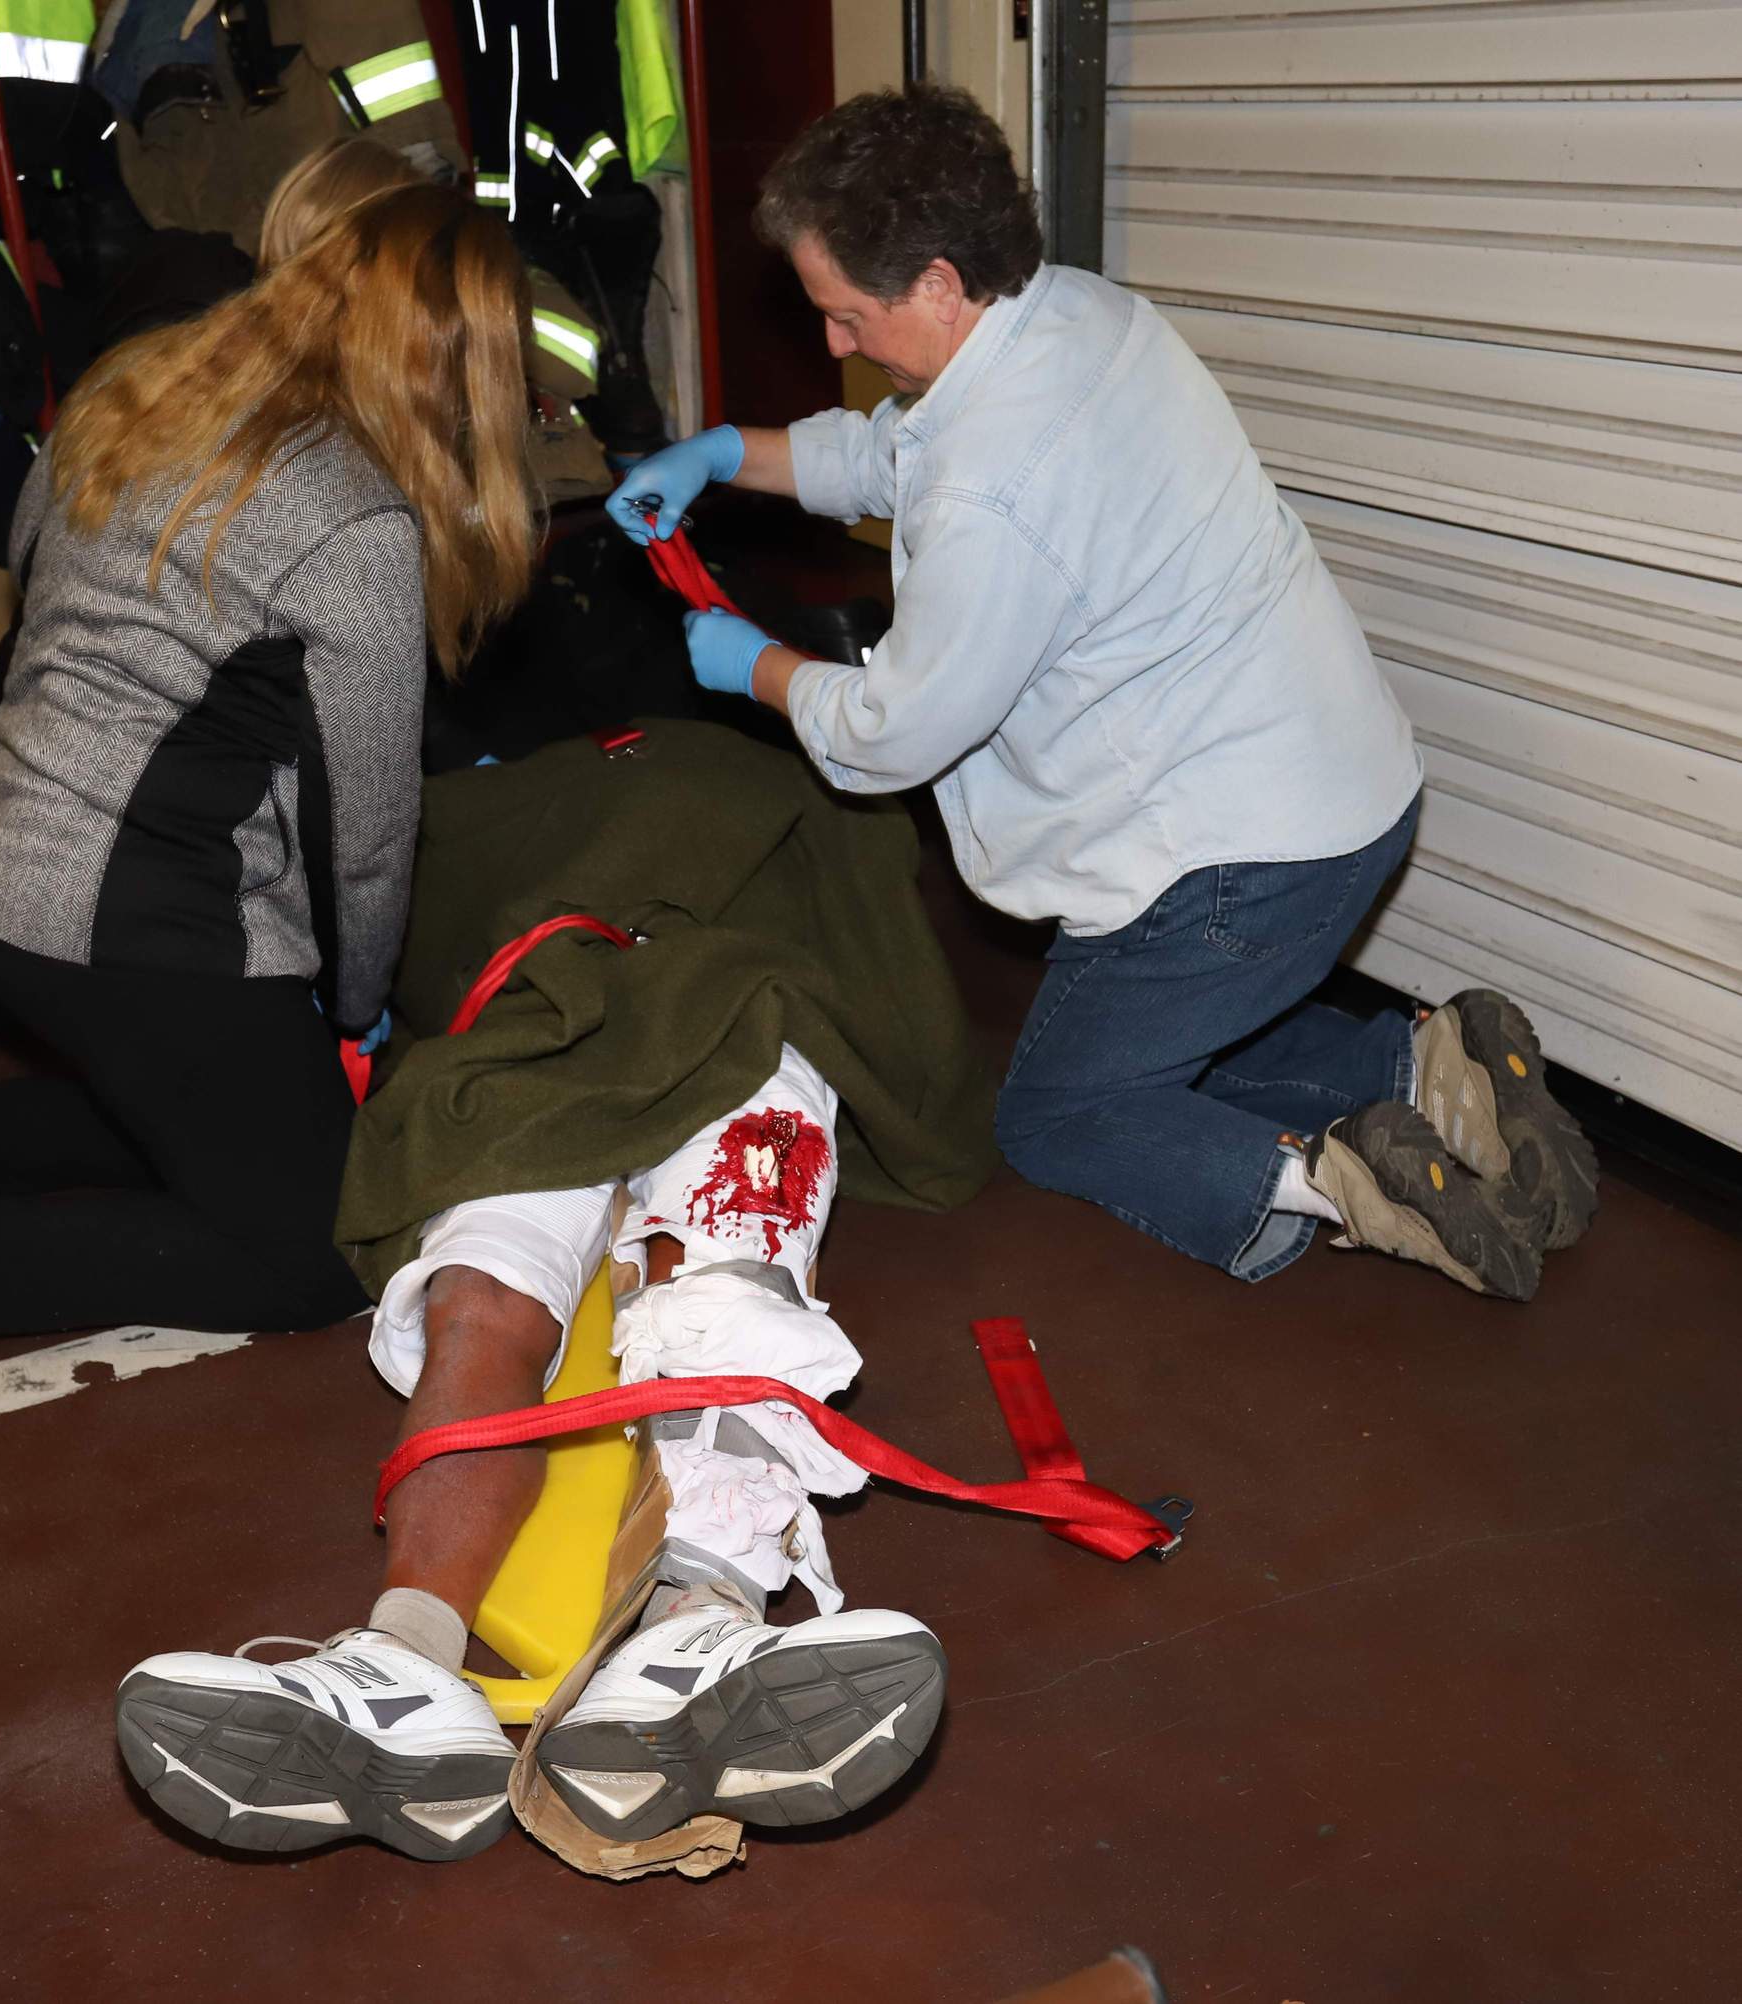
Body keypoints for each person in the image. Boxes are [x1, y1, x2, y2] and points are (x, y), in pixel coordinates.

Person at [605, 84, 1597, 1303]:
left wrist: (750, 663)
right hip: (1343, 792)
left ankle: (1340, 1183)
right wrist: (724, 456)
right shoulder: (1076, 314)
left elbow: (888, 732)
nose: (835, 346)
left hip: (1236, 864)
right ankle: (1430, 1072)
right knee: (1152, 1034)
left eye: (846, 314)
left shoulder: (994, 488)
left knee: (1059, 1112)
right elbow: (895, 453)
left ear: (934, 283)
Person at [112, 718, 994, 1864]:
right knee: (501, 1297)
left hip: (716, 1014)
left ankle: (674, 1633)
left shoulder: (645, 776)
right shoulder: (605, 784)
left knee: (674, 1289)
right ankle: (414, 1669)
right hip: (558, 1032)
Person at [0, 177, 537, 1342]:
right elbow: (367, 832)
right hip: (146, 932)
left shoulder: (137, 386)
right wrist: (355, 1002)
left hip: (6, 877)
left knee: (236, 1113)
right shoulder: (358, 518)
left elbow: (31, 576)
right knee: (322, 1249)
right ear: (451, 363)